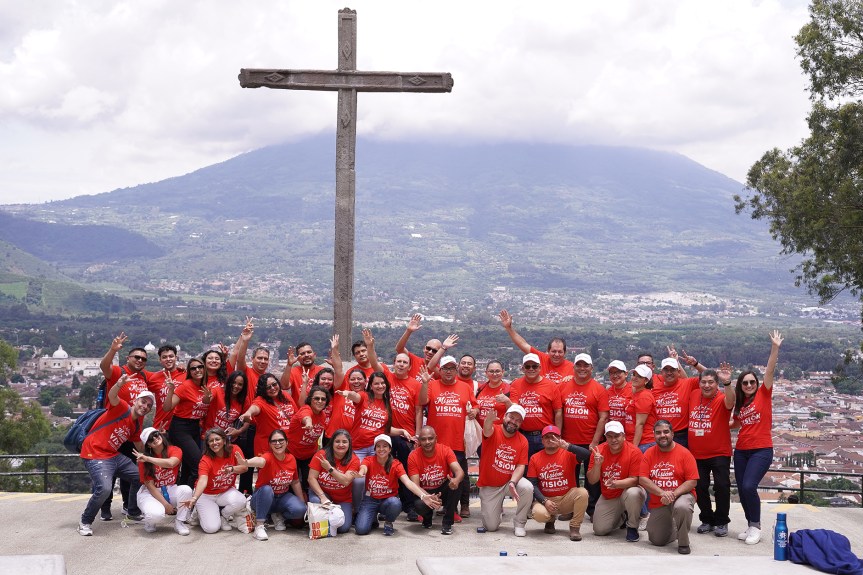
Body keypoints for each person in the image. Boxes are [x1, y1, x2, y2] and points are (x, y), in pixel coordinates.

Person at [77, 375, 153, 536]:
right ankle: (85, 521)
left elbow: (138, 444)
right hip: (95, 453)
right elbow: (112, 396)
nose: (145, 406)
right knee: (104, 488)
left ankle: (132, 511)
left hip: (113, 455)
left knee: (141, 476)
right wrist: (119, 384)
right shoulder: (122, 408)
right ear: (135, 401)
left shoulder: (137, 423)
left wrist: (150, 458)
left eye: (149, 405)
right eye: (143, 402)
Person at [733, 330, 783, 546]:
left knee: (748, 487)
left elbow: (770, 370)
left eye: (752, 382)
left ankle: (756, 525)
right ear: (741, 386)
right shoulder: (740, 404)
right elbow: (735, 424)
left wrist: (774, 348)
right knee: (742, 489)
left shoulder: (764, 394)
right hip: (742, 450)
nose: (750, 386)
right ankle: (750, 524)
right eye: (745, 383)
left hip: (761, 449)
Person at [97, 334, 151, 521]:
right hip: (112, 432)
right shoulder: (119, 373)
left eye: (143, 358)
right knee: (109, 472)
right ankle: (105, 507)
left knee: (131, 473)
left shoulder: (144, 377)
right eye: (136, 357)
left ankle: (130, 507)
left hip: (131, 433)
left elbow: (163, 376)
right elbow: (104, 367)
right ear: (128, 358)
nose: (140, 360)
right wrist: (113, 349)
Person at [420, 351, 478, 520]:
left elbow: (475, 406)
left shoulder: (465, 387)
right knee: (436, 477)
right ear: (441, 370)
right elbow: (423, 401)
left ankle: (452, 509)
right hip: (434, 443)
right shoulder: (432, 384)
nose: (448, 371)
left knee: (456, 478)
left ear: (456, 370)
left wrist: (474, 411)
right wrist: (424, 383)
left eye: (452, 368)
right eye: (445, 368)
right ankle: (433, 506)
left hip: (457, 442)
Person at [355, 434, 440, 536]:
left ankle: (388, 522)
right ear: (375, 449)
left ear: (390, 449)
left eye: (385, 446)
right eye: (378, 446)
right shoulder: (368, 460)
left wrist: (423, 496)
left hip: (388, 500)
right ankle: (373, 518)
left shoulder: (396, 464)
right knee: (361, 530)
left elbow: (408, 482)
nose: (381, 449)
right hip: (370, 499)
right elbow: (363, 467)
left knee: (395, 503)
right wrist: (361, 473)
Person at [558, 352, 608, 518]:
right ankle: (569, 508)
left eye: (586, 365)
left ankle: (592, 510)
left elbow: (603, 417)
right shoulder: (563, 386)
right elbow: (558, 412)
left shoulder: (599, 389)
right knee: (569, 477)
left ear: (591, 368)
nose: (582, 368)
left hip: (590, 441)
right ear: (573, 367)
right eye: (578, 365)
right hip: (568, 441)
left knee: (592, 480)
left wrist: (595, 441)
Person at [689, 365, 735, 538]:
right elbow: (684, 378)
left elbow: (731, 402)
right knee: (700, 487)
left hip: (719, 452)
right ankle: (707, 519)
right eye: (703, 382)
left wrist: (727, 382)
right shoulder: (694, 394)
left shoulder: (723, 398)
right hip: (696, 453)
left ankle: (721, 520)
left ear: (717, 384)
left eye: (710, 382)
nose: (706, 385)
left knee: (722, 487)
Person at [640, 420, 698, 555]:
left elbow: (692, 481)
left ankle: (683, 542)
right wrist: (662, 493)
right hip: (660, 500)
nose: (662, 435)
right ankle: (675, 526)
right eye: (658, 432)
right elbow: (642, 478)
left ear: (672, 434)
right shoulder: (649, 453)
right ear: (654, 435)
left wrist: (672, 494)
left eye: (666, 432)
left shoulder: (684, 453)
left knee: (682, 507)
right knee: (657, 540)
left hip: (682, 496)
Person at [237, 429, 307, 541]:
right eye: (274, 441)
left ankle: (277, 515)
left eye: (281, 440)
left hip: (282, 497)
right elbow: (260, 461)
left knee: (300, 510)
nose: (278, 443)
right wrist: (247, 462)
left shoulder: (291, 458)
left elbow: (295, 482)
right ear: (269, 444)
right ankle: (259, 525)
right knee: (267, 489)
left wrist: (303, 503)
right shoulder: (268, 457)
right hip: (262, 497)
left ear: (287, 442)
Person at [477, 404, 532, 537]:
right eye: (511, 417)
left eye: (518, 420)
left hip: (508, 483)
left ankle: (519, 523)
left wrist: (513, 482)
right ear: (504, 416)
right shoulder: (494, 430)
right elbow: (487, 430)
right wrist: (488, 420)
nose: (513, 422)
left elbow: (520, 466)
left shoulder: (523, 440)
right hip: (490, 485)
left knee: (527, 487)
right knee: (491, 527)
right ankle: (495, 513)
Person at [527, 425, 589, 541]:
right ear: (542, 440)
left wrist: (568, 446)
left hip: (566, 498)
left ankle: (575, 527)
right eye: (547, 437)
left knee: (583, 493)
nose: (550, 440)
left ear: (560, 439)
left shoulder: (568, 453)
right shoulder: (535, 458)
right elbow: (532, 484)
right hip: (546, 499)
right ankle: (550, 521)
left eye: (554, 437)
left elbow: (586, 455)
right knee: (539, 514)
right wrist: (545, 501)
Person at [587, 421, 646, 542]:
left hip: (628, 491)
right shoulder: (598, 451)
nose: (613, 439)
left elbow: (636, 480)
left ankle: (632, 526)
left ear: (623, 436)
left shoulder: (634, 451)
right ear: (605, 437)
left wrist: (617, 484)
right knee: (600, 530)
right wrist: (597, 465)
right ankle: (622, 517)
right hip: (610, 496)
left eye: (617, 436)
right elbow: (592, 480)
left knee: (633, 493)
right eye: (610, 436)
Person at [181, 428, 248, 534]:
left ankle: (223, 516)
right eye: (211, 441)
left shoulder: (234, 449)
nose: (214, 443)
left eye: (217, 439)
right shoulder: (205, 460)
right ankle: (198, 512)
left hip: (225, 491)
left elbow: (245, 468)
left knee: (241, 501)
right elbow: (202, 480)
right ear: (207, 444)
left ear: (224, 440)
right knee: (211, 529)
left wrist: (232, 469)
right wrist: (194, 498)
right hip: (206, 495)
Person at [132, 427, 193, 535]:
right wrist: (166, 505)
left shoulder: (174, 450)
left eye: (156, 435)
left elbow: (171, 463)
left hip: (170, 488)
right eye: (151, 439)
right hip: (150, 493)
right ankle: (149, 521)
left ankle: (179, 522)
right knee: (156, 514)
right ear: (148, 445)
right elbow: (150, 486)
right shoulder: (143, 460)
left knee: (186, 490)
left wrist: (148, 459)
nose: (155, 439)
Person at [164, 357, 211, 487]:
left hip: (195, 427)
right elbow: (167, 408)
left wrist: (207, 399)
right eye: (193, 368)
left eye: (200, 367)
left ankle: (181, 495)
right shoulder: (185, 386)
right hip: (181, 428)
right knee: (198, 465)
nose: (197, 370)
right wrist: (171, 390)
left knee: (188, 467)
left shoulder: (205, 386)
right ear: (189, 372)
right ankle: (188, 498)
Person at [408, 425, 464, 534]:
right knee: (419, 504)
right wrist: (430, 498)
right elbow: (415, 486)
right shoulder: (413, 456)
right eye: (423, 439)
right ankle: (427, 518)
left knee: (457, 483)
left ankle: (447, 522)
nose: (427, 442)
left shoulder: (445, 450)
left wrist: (455, 480)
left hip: (443, 489)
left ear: (436, 438)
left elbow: (460, 472)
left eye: (430, 438)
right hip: (425, 491)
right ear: (419, 441)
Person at [507, 353, 563, 461]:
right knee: (524, 469)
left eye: (535, 366)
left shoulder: (551, 386)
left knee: (545, 468)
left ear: (540, 367)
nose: (531, 369)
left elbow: (558, 412)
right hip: (522, 435)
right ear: (523, 368)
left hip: (545, 435)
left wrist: (557, 434)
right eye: (528, 366)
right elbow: (513, 408)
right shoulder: (515, 384)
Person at [389, 352, 423, 519]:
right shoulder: (388, 379)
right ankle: (387, 505)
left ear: (410, 367)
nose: (401, 364)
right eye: (398, 361)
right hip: (388, 433)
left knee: (406, 472)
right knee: (387, 470)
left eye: (405, 362)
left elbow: (418, 411)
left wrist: (416, 435)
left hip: (407, 436)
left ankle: (409, 507)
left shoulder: (415, 384)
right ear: (394, 363)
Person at [308, 428, 361, 534]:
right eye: (337, 441)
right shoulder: (321, 455)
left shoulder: (354, 459)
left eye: (344, 442)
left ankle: (342, 514)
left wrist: (329, 468)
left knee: (343, 528)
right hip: (322, 494)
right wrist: (322, 497)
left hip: (343, 498)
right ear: (332, 443)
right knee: (317, 502)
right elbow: (311, 478)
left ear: (349, 444)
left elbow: (345, 481)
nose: (341, 445)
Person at [499, 309, 574, 384]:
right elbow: (523, 345)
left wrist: (573, 378)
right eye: (554, 351)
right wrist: (509, 328)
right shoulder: (540, 358)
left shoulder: (572, 367)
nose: (556, 354)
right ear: (548, 351)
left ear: (565, 353)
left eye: (560, 352)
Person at [624, 363, 657, 530]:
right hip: (635, 442)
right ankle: (642, 513)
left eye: (639, 376)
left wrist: (633, 448)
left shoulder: (644, 396)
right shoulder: (635, 394)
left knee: (639, 481)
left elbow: (640, 424)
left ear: (646, 380)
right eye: (634, 374)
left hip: (643, 443)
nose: (634, 377)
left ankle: (645, 514)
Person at [240, 372, 297, 457]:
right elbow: (255, 407)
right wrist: (248, 413)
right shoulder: (260, 400)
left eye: (274, 384)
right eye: (268, 387)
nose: (273, 388)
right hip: (267, 449)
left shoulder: (285, 395)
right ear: (262, 390)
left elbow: (296, 415)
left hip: (287, 447)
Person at [287, 385, 331, 491]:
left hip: (309, 455)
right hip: (293, 454)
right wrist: (308, 422)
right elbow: (306, 416)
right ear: (310, 399)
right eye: (316, 398)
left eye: (323, 399)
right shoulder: (306, 410)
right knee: (292, 485)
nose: (320, 401)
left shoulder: (323, 415)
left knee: (308, 485)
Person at [651, 356, 699, 448]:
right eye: (666, 370)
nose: (669, 373)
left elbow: (710, 377)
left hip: (682, 436)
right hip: (661, 435)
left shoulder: (687, 383)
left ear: (679, 372)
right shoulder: (654, 389)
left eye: (672, 370)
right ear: (661, 372)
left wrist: (696, 364)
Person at [146, 344, 185, 433]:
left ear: (176, 357)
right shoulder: (155, 378)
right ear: (160, 360)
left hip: (182, 426)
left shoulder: (186, 375)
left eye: (171, 356)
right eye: (164, 357)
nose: (168, 359)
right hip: (161, 426)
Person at [395, 313, 445, 378]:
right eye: (428, 348)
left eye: (434, 351)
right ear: (424, 348)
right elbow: (399, 349)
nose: (430, 352)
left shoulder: (439, 371)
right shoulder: (413, 360)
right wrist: (408, 331)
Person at [475, 360, 510, 428]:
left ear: (502, 372)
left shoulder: (509, 389)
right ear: (486, 373)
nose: (494, 374)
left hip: (499, 433)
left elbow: (514, 412)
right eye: (491, 371)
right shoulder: (480, 388)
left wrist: (507, 401)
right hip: (480, 432)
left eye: (497, 371)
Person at [606, 360, 632, 426]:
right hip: (611, 433)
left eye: (618, 372)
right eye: (611, 373)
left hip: (628, 432)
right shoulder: (607, 392)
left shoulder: (633, 390)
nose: (615, 376)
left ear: (626, 374)